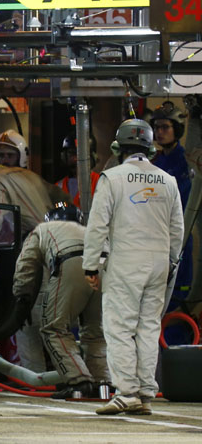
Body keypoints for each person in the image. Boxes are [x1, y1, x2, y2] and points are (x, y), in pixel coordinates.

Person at [83, 118, 183, 416]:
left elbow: (97, 225)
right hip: (159, 262)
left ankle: (126, 392)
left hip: (126, 261)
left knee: (119, 327)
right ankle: (146, 393)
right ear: (150, 148)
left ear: (119, 147)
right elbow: (177, 229)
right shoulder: (168, 181)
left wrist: (91, 265)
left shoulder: (112, 178)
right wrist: (171, 262)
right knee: (149, 327)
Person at [13, 202, 108, 399]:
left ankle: (78, 381)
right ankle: (103, 384)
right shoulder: (88, 229)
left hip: (71, 262)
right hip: (106, 265)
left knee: (53, 328)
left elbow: (25, 266)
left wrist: (21, 298)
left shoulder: (42, 229)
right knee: (96, 333)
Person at [0, 159, 72, 372]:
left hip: (34, 249)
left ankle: (39, 381)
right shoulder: (31, 175)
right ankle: (69, 377)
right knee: (56, 321)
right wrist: (54, 213)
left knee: (27, 322)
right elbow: (64, 200)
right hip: (62, 248)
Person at [150, 101, 193, 308]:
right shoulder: (154, 163)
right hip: (155, 236)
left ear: (176, 130)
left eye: (165, 127)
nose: (159, 132)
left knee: (178, 293)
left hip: (180, 234)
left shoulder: (187, 162)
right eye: (156, 128)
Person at [56, 132, 100, 208]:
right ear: (64, 157)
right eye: (72, 153)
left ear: (92, 157)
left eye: (82, 154)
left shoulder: (100, 182)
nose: (77, 159)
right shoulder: (58, 188)